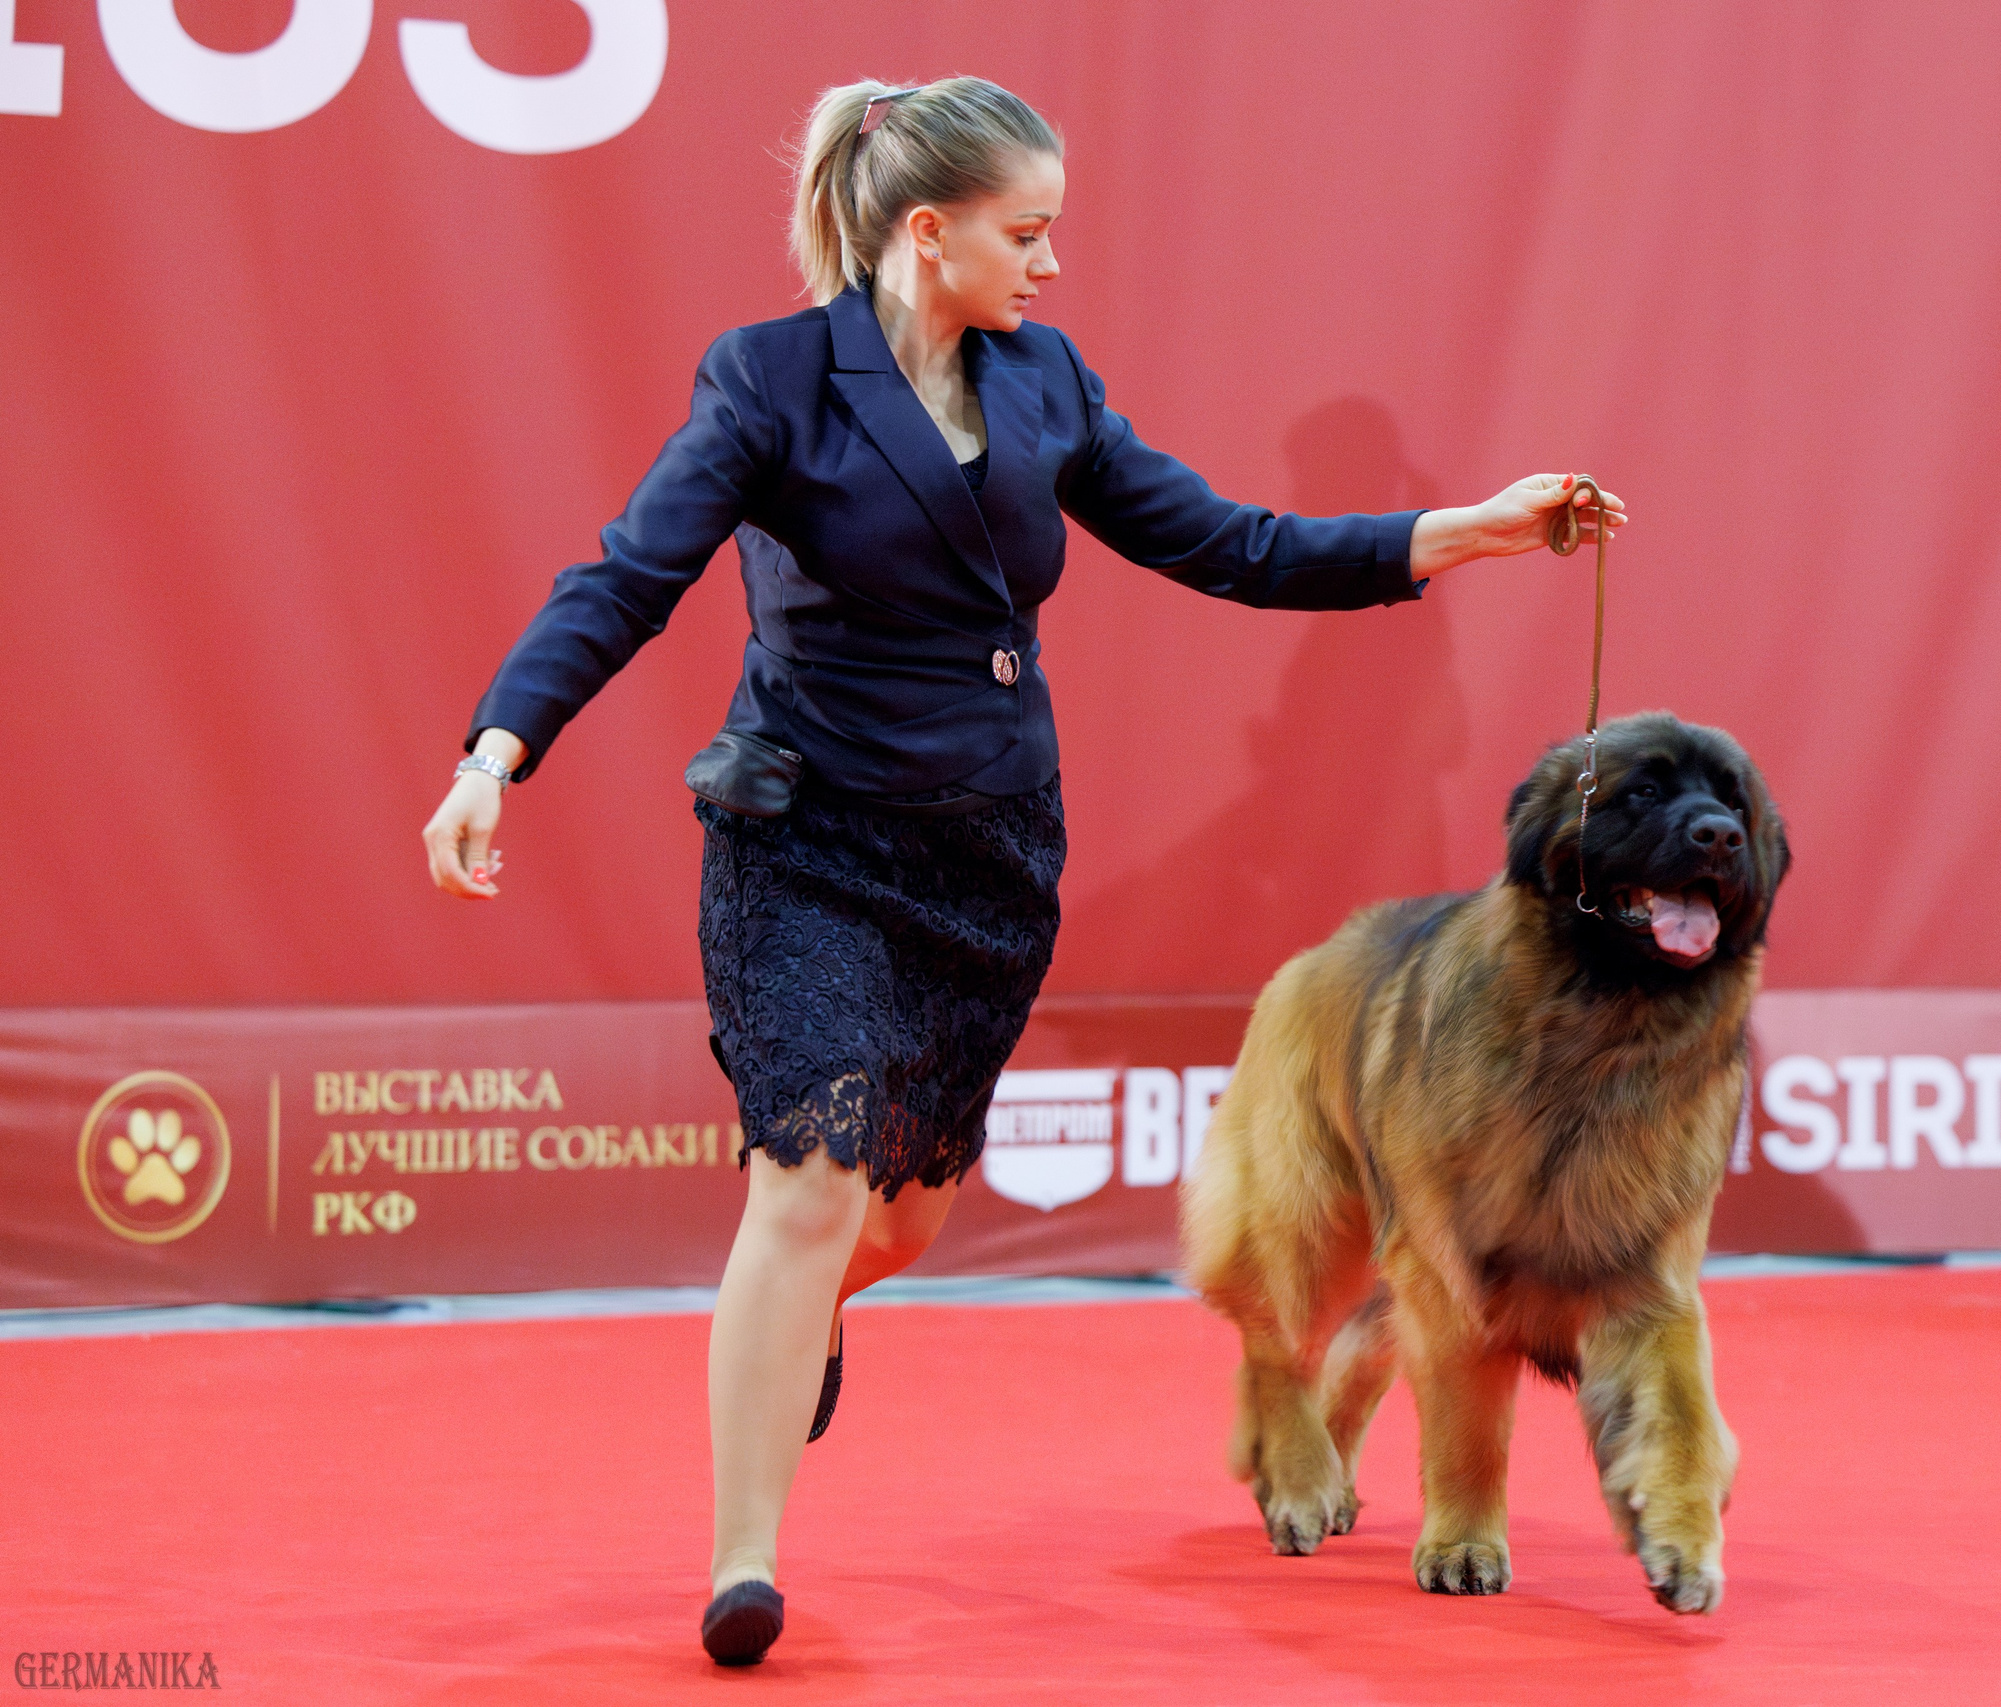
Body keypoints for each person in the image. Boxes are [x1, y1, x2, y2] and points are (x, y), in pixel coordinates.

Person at [418, 76, 1624, 1665]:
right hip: (807, 839)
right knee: (807, 1180)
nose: (1052, 263)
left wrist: (1473, 527)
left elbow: (1237, 545)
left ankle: (817, 1312)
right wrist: (494, 753)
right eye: (1027, 231)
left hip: (988, 855)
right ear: (929, 231)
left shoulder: (1046, 381)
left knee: (898, 1222)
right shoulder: (772, 381)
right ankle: (744, 1557)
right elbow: (624, 577)